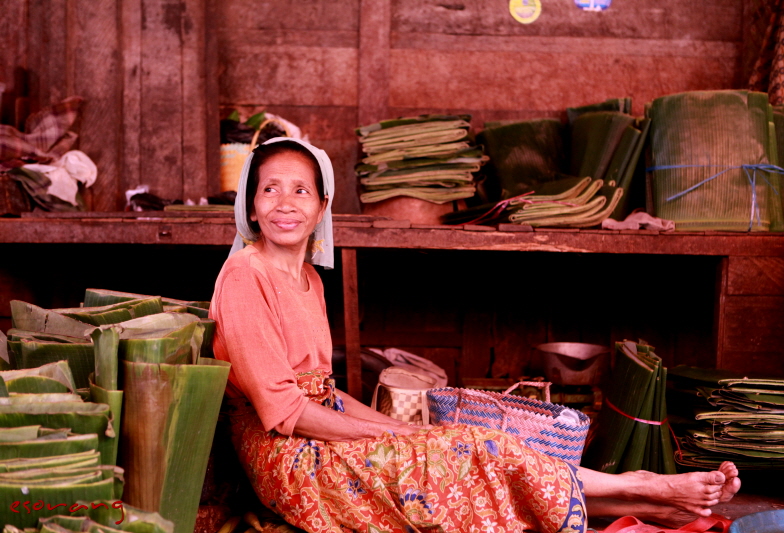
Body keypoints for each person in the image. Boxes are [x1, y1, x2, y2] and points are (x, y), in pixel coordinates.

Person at [210, 137, 740, 533]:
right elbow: (287, 411)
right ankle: (639, 489)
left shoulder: (307, 279)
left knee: (468, 447)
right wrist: (395, 435)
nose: (285, 202)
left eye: (300, 190)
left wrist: (399, 430)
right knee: (468, 449)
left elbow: (323, 391)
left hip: (317, 429)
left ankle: (640, 496)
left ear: (322, 207)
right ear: (251, 204)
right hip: (287, 458)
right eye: (270, 189)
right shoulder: (245, 276)